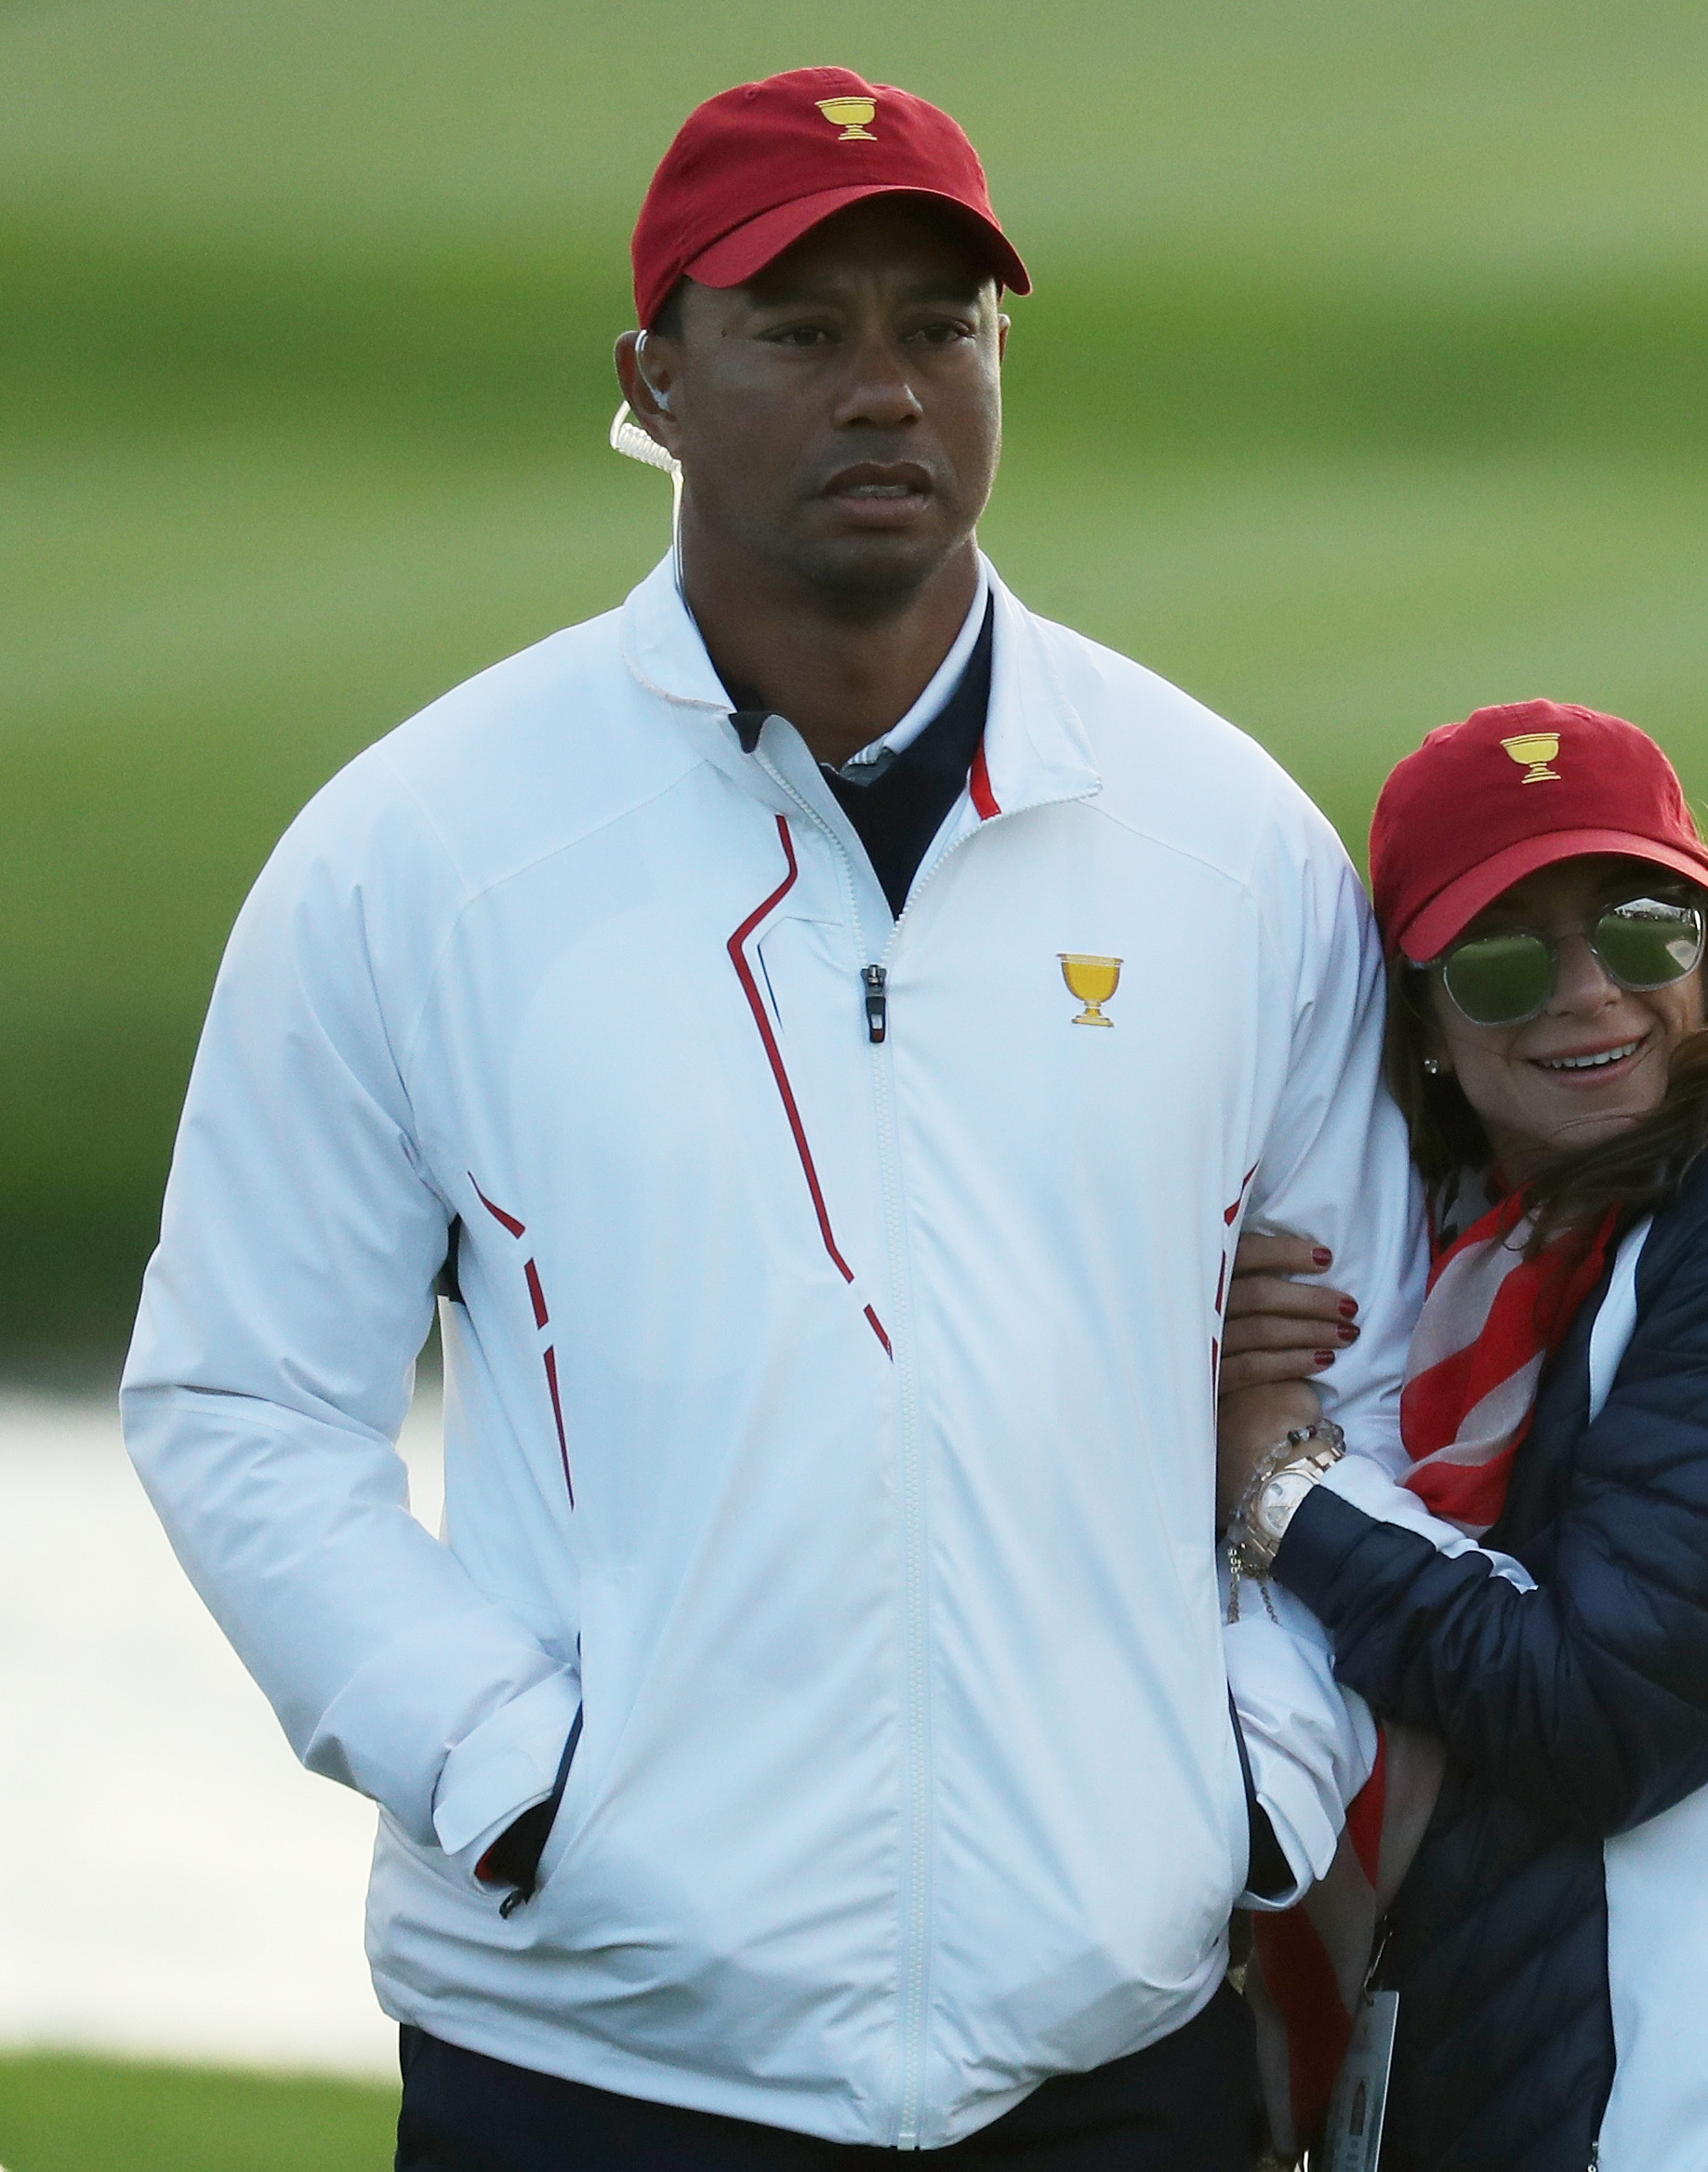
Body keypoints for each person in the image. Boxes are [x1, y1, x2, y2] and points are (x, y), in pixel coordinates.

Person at [120, 69, 1421, 2167]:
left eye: (940, 325)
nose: (887, 389)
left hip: (1107, 2060)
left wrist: (1251, 1780)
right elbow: (241, 1404)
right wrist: (517, 1780)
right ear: (651, 376)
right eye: (802, 330)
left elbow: (1390, 1365)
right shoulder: (422, 854)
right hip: (592, 2064)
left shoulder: (1221, 847)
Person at [1212, 701, 1708, 2171]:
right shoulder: (1471, 1275)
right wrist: (1214, 1330)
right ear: (1424, 1026)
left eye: (1641, 931)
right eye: (1504, 961)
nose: (1588, 996)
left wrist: (1278, 1482)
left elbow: (1595, 1716)